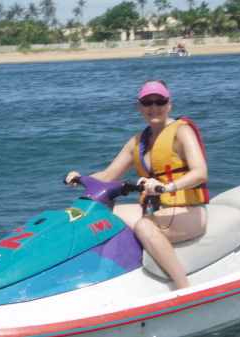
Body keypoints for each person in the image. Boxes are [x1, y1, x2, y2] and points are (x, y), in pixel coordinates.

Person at [65, 79, 209, 289]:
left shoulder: (181, 132)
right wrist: (80, 179)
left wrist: (168, 187)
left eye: (160, 101)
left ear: (169, 104)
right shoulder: (138, 142)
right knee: (100, 216)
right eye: (147, 102)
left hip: (189, 211)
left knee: (143, 226)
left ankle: (183, 287)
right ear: (139, 107)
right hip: (155, 208)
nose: (154, 107)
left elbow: (200, 172)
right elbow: (108, 175)